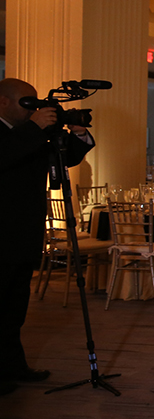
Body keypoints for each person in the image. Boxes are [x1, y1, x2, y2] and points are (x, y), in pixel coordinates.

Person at [0, 78, 95, 395]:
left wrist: (78, 133)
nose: (34, 109)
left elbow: (62, 158)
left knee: (15, 308)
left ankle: (14, 367)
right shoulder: (13, 134)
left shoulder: (30, 135)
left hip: (25, 233)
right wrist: (34, 128)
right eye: (27, 103)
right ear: (3, 102)